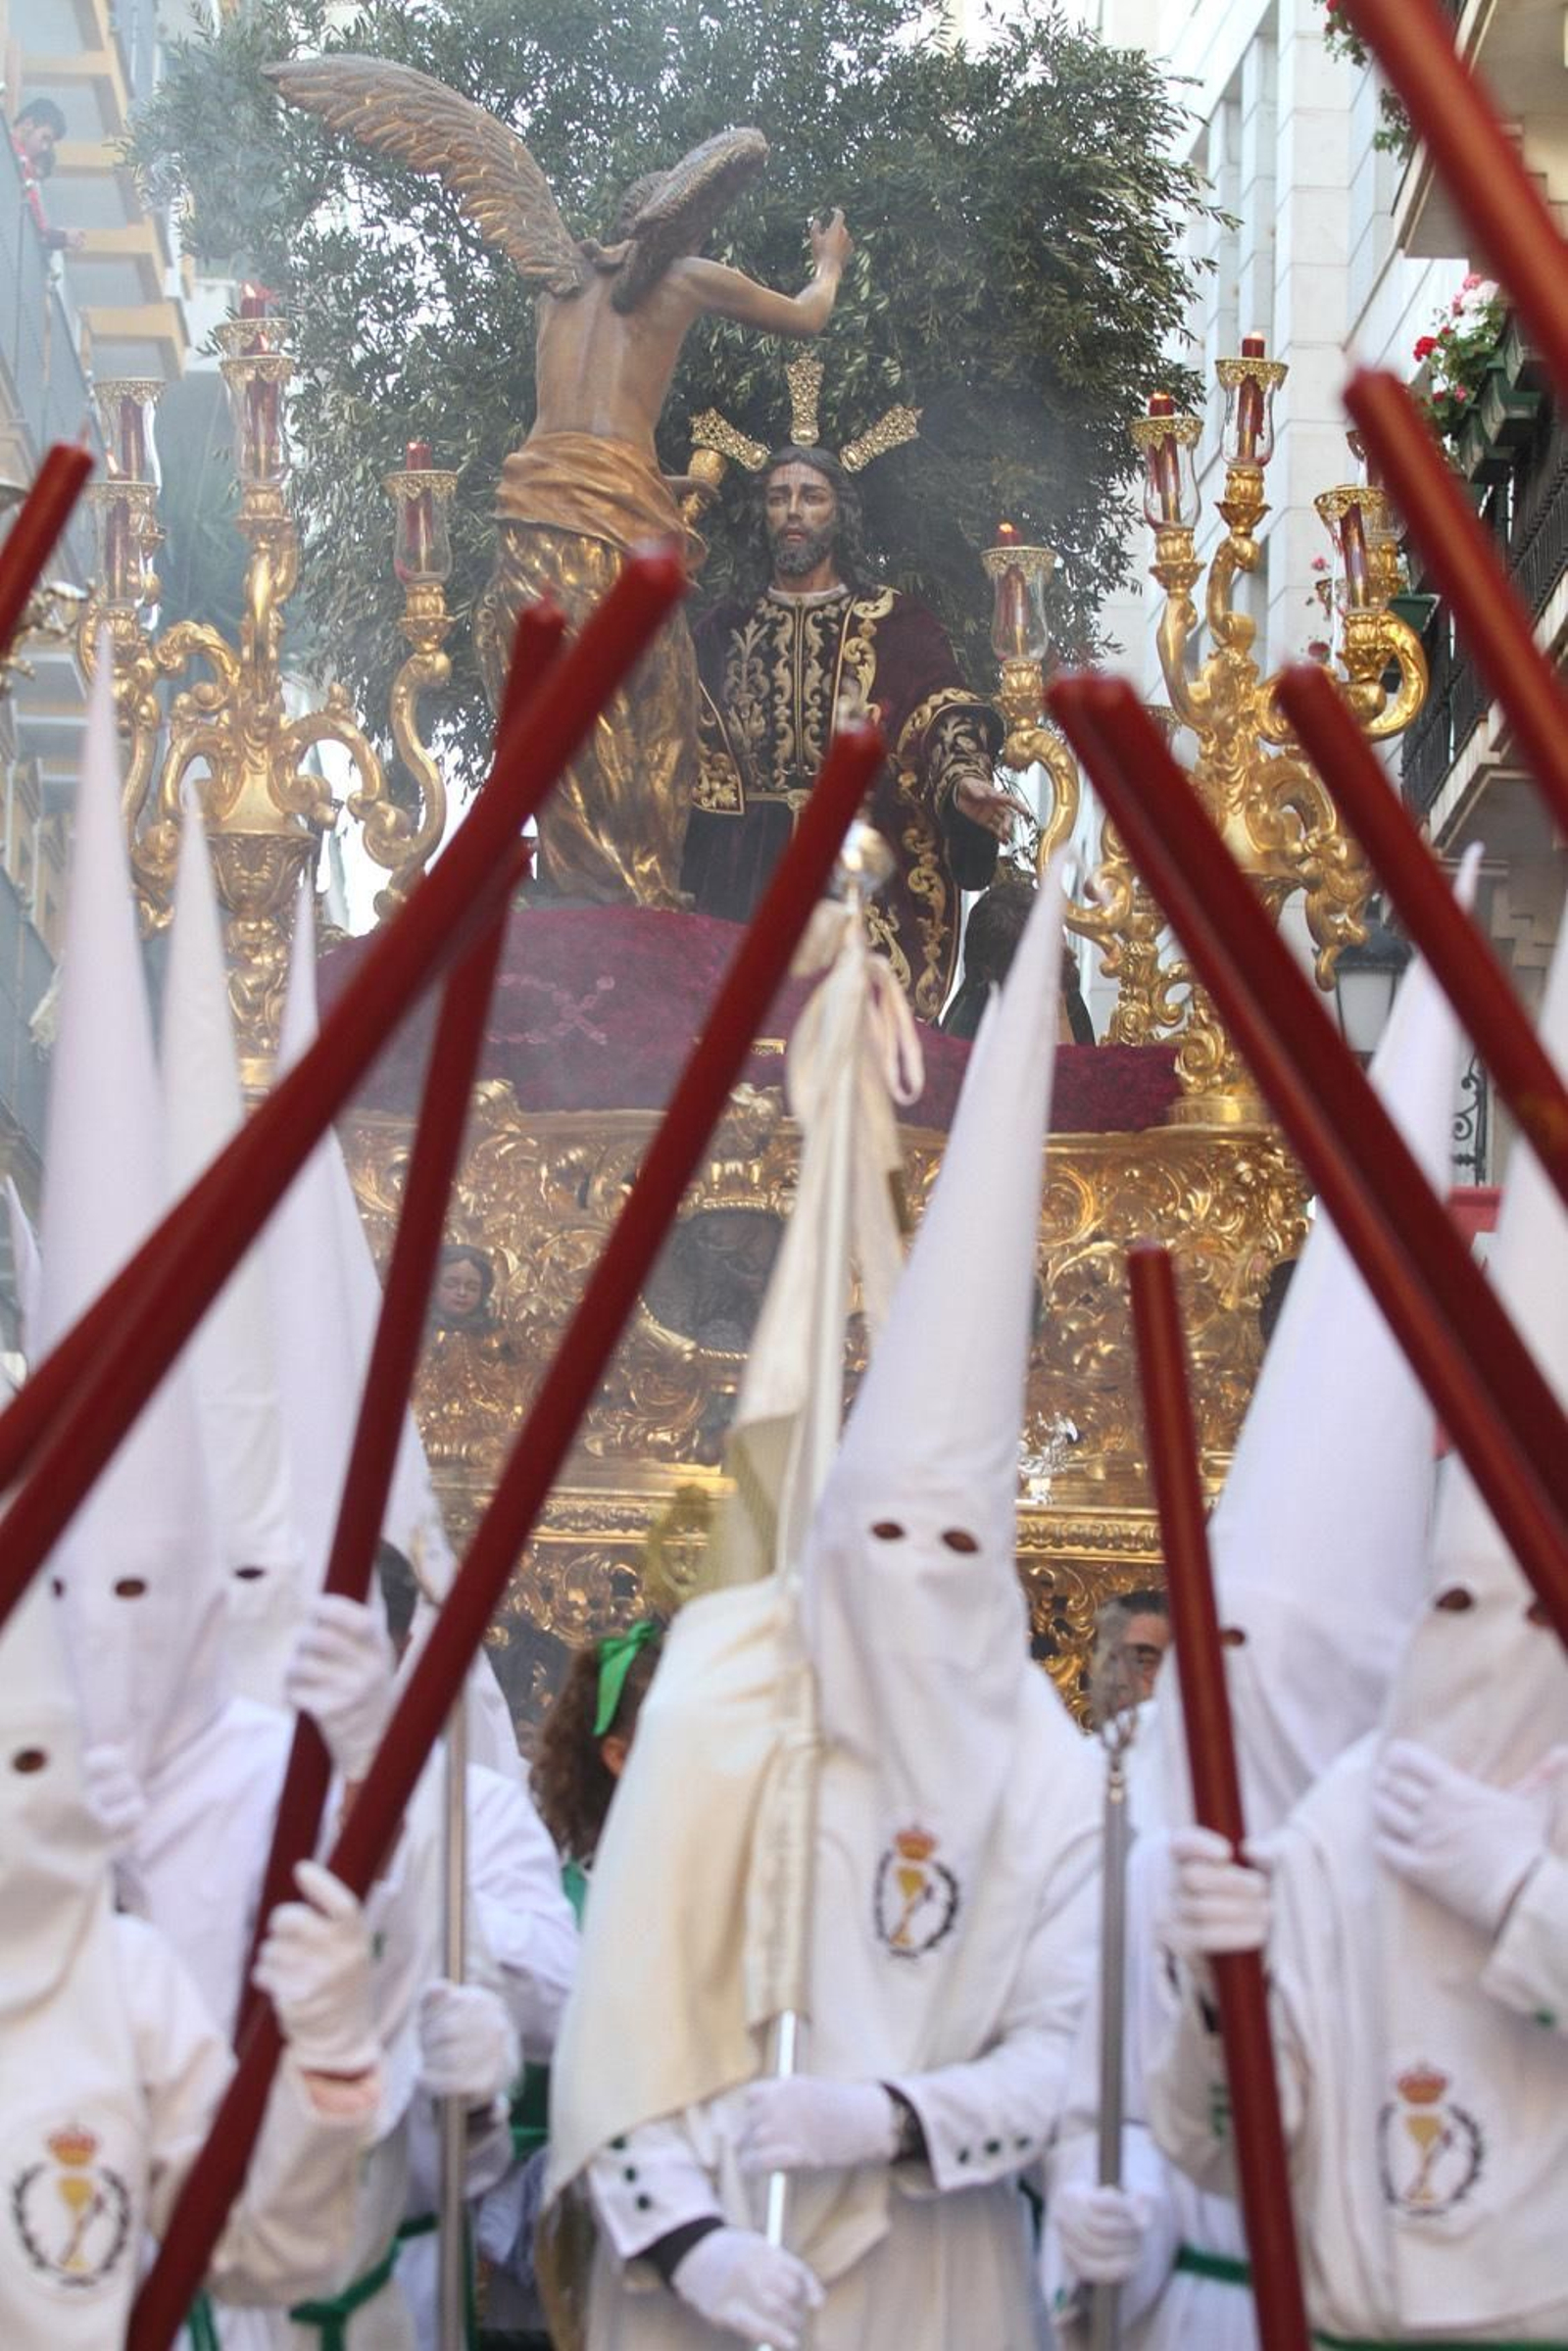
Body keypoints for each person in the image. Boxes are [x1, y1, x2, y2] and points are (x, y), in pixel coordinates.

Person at [544, 870, 1100, 2351]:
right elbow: (622, 2010)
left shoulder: (1048, 1775)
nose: (914, 1571)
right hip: (706, 2268)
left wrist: (889, 2112)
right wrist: (691, 2234)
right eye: (885, 1535)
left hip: (930, 2267)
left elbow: (1065, 2052)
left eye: (953, 1541)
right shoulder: (729, 1689)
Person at [269, 56, 853, 907]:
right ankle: (629, 906)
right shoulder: (686, 278)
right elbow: (809, 315)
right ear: (679, 225)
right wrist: (829, 259)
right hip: (612, 533)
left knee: (556, 723)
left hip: (529, 530)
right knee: (657, 715)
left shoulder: (555, 283)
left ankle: (577, 901)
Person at [683, 442, 1022, 1020]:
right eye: (778, 498)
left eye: (811, 497)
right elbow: (672, 735)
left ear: (839, 514)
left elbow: (939, 709)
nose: (793, 512)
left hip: (859, 876)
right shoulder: (719, 629)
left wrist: (963, 778)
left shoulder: (896, 624)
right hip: (740, 879)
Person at [10, 97, 84, 252]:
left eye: (49, 144)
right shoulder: (11, 160)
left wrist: (62, 238)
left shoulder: (24, 171)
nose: (44, 148)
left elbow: (33, 232)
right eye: (44, 138)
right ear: (28, 124)